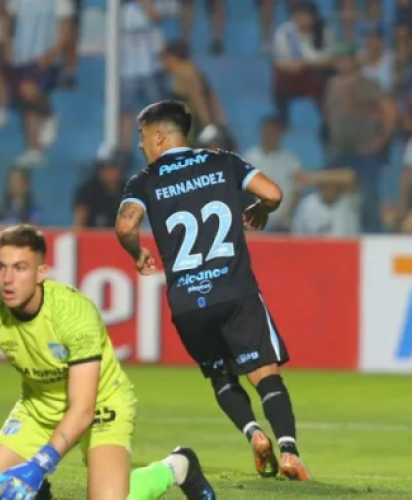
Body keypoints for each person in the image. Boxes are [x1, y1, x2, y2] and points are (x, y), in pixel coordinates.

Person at [115, 100, 311, 481]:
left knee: (221, 376)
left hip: (188, 301)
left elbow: (125, 228)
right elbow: (272, 194)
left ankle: (254, 434)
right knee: (264, 372)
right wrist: (260, 211)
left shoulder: (144, 180)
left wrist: (137, 252)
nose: (140, 145)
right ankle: (287, 449)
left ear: (159, 135)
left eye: (142, 137)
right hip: (235, 290)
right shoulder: (223, 161)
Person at [0, 224, 215, 500]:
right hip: (38, 409)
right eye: (1, 267)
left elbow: (83, 408)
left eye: (20, 268)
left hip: (101, 405)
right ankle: (38, 493)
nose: (7, 279)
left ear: (41, 272)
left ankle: (176, 467)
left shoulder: (74, 312)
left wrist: (39, 465)